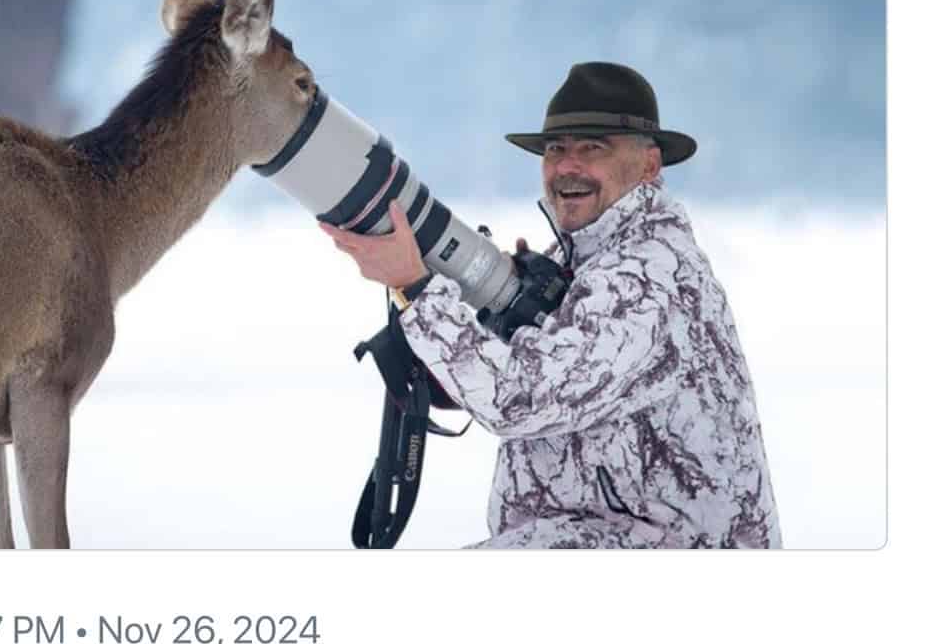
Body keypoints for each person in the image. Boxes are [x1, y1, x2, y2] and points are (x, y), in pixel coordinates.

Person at [321, 63, 782, 548]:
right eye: (555, 149)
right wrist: (491, 314)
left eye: (592, 148)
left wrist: (415, 287)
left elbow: (519, 398)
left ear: (649, 166)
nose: (566, 166)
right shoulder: (586, 260)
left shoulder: (650, 277)